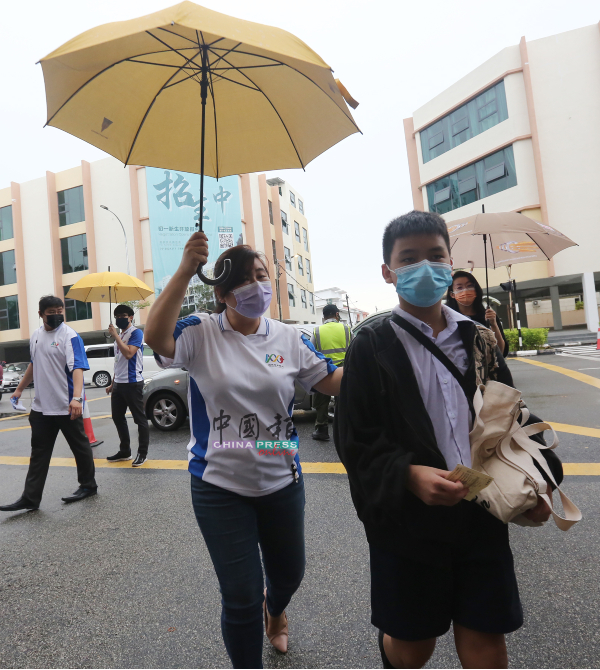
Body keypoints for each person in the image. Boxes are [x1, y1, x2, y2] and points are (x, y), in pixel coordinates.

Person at [334, 211, 562, 670]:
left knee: (486, 644)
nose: (425, 267)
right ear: (388, 272)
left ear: (449, 261)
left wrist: (538, 485)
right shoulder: (372, 343)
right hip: (408, 524)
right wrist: (407, 475)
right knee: (413, 647)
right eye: (409, 258)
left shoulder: (478, 339)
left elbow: (511, 420)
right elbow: (355, 437)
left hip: (481, 512)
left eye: (435, 256)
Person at [144, 234, 342, 669]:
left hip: (281, 480)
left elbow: (331, 380)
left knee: (289, 574)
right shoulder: (199, 331)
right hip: (218, 486)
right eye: (245, 279)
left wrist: (386, 357)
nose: (257, 286)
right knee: (240, 596)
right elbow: (156, 338)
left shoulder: (289, 339)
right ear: (221, 293)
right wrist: (182, 271)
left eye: (262, 276)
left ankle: (277, 610)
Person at [0, 295, 97, 512]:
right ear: (40, 314)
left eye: (59, 311)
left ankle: (88, 485)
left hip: (66, 405)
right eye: (51, 312)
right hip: (41, 407)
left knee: (80, 447)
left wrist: (77, 398)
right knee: (39, 453)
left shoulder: (70, 336)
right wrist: (19, 389)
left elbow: (78, 368)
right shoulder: (35, 336)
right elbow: (34, 365)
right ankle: (30, 497)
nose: (56, 315)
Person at [105, 304, 149, 467]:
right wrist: (112, 382)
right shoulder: (121, 334)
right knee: (117, 417)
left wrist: (115, 336)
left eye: (123, 315)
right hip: (119, 384)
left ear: (131, 317)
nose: (120, 318)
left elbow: (129, 353)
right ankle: (125, 451)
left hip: (133, 383)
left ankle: (142, 453)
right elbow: (119, 361)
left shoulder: (136, 333)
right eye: (117, 316)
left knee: (140, 419)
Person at [310, 303, 351, 441]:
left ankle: (322, 430)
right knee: (344, 401)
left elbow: (311, 353)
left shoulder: (317, 331)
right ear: (337, 314)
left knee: (322, 402)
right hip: (344, 370)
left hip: (325, 370)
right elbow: (354, 348)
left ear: (324, 316)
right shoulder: (347, 329)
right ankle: (345, 430)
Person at [446, 270, 509, 357]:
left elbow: (500, 352)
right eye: (459, 288)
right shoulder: (447, 318)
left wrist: (493, 324)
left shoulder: (488, 316)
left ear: (476, 289)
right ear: (452, 294)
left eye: (470, 286)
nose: (465, 290)